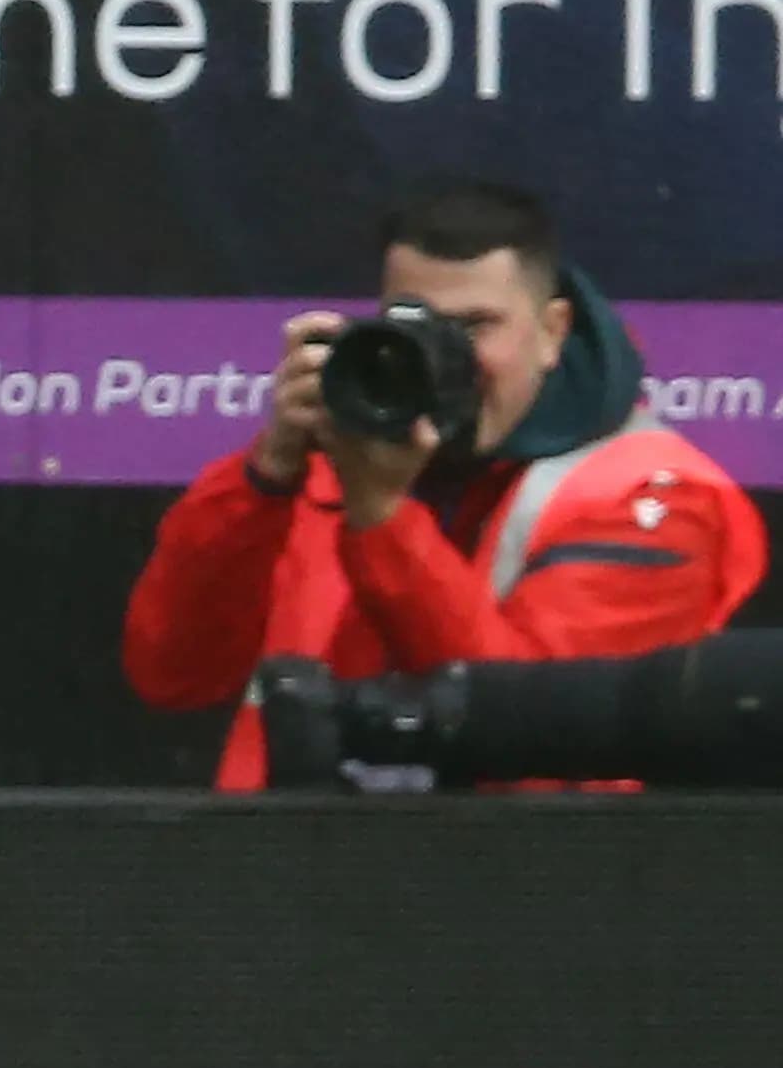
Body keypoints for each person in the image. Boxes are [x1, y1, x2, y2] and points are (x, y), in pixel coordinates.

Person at [125, 180, 767, 789]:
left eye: (474, 327)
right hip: (288, 851)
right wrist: (267, 475)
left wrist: (382, 519)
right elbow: (174, 672)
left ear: (552, 332)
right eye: (416, 322)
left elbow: (534, 745)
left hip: (508, 863)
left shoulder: (651, 497)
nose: (443, 356)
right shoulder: (350, 453)